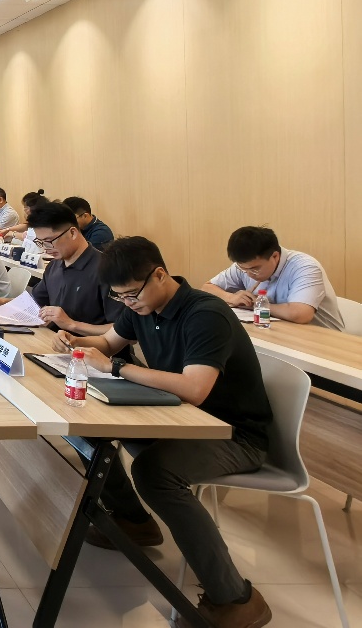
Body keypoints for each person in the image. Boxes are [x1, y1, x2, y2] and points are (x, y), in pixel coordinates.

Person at [56, 236, 273, 628]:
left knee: (156, 473)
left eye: (131, 294)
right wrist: (74, 341)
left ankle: (235, 598)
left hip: (233, 434)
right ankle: (134, 521)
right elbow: (108, 342)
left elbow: (195, 388)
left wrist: (116, 368)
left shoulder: (205, 314)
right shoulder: (142, 306)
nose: (127, 303)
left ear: (159, 275)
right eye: (119, 296)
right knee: (87, 431)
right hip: (176, 417)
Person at [0, 201, 121, 337]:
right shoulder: (55, 265)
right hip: (54, 342)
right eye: (40, 242)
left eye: (49, 241)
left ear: (72, 233)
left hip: (92, 352)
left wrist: (72, 324)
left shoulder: (107, 270)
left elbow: (125, 331)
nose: (45, 248)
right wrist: (2, 302)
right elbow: (34, 303)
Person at [201, 226, 344, 330]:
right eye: (243, 269)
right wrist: (231, 297)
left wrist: (256, 304)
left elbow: (300, 314)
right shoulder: (245, 266)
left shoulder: (305, 267)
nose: (249, 274)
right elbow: (207, 288)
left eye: (255, 269)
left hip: (323, 340)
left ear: (275, 256)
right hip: (279, 333)